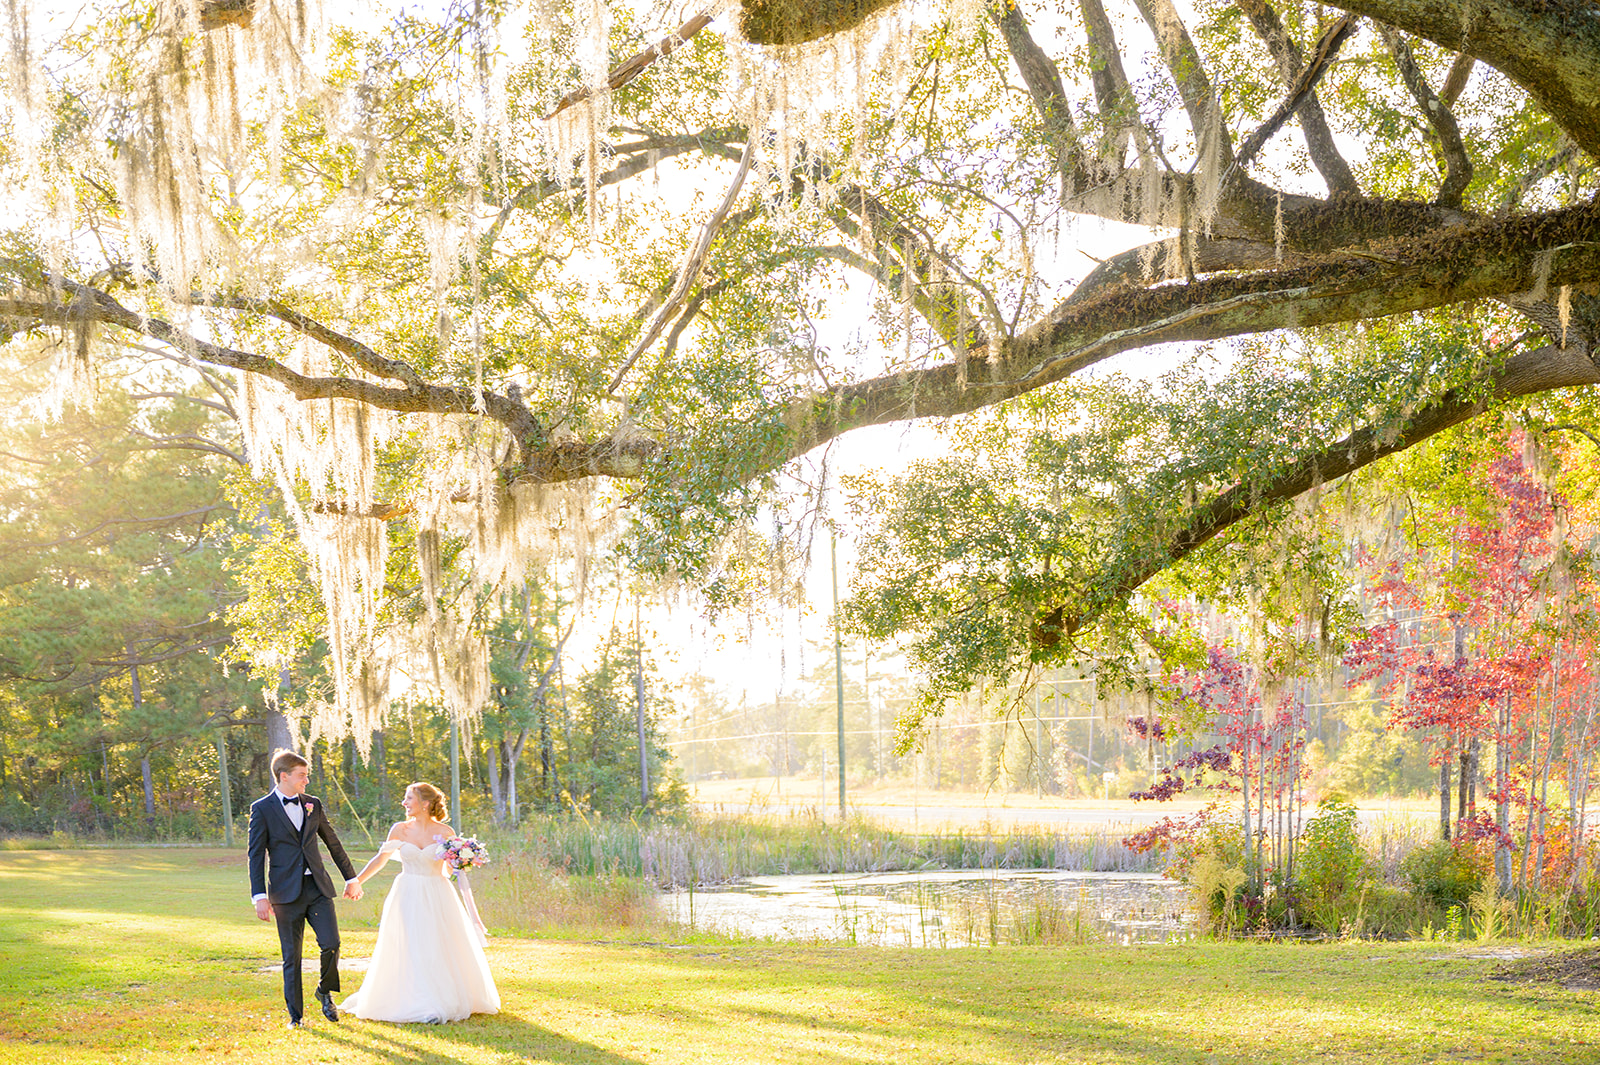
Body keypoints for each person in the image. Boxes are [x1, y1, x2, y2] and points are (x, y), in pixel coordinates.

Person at [339, 781, 500, 1023]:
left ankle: (439, 998)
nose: (404, 803)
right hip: (408, 891)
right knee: (411, 942)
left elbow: (448, 869)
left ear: (425, 803)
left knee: (437, 944)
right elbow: (380, 859)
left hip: (437, 892)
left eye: (409, 798)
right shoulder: (399, 829)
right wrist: (356, 881)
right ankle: (414, 997)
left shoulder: (446, 833)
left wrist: (461, 859)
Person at [247, 749, 363, 1029]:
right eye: (302, 776)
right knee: (292, 957)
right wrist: (259, 896)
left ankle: (324, 991)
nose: (307, 781)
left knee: (332, 944)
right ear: (284, 776)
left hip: (318, 888)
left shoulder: (313, 804)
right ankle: (295, 1017)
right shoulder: (262, 808)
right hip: (285, 894)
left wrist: (351, 877)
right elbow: (256, 855)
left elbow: (333, 842)